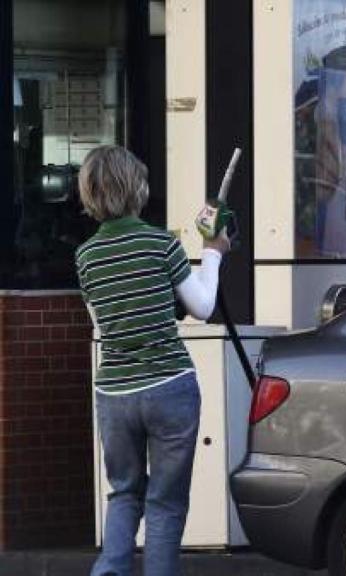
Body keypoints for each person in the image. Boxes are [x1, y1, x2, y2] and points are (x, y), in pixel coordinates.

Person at [75, 145, 230, 576]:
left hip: (114, 393)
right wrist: (213, 252)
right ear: (136, 188)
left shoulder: (85, 257)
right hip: (168, 386)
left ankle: (109, 572)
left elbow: (104, 322)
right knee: (165, 500)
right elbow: (202, 307)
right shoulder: (161, 243)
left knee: (124, 492)